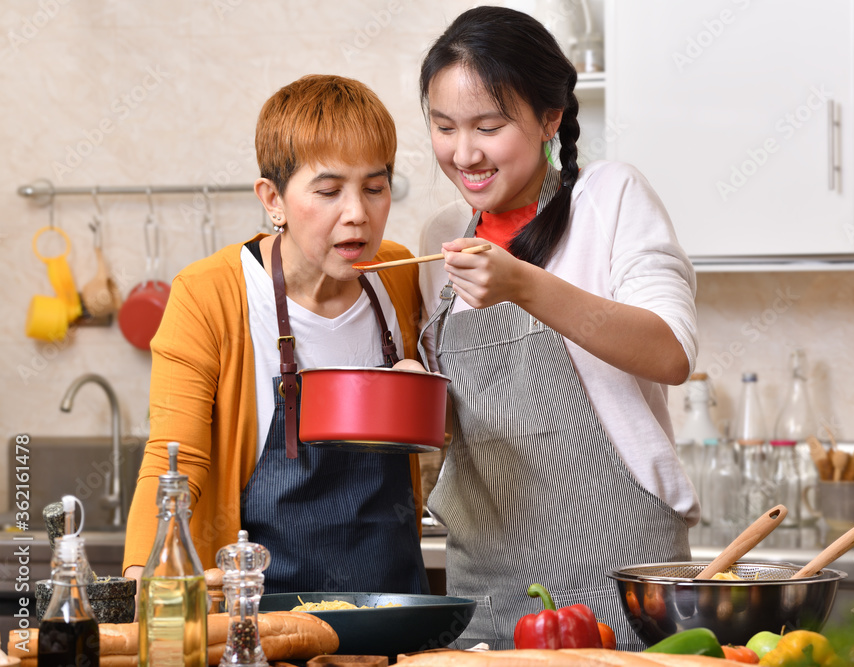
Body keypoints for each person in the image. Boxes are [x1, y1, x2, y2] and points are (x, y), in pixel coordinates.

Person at [417, 7, 699, 648]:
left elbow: (671, 351)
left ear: (550, 117)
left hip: (617, 566)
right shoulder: (439, 240)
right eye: (444, 127)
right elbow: (469, 418)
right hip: (482, 584)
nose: (465, 153)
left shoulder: (610, 198)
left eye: (489, 126)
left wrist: (523, 284)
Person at [123, 74, 428, 596]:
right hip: (261, 621)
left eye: (375, 188)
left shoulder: (399, 272)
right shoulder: (210, 294)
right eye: (329, 191)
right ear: (273, 199)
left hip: (396, 613)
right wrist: (144, 580)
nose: (358, 213)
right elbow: (176, 459)